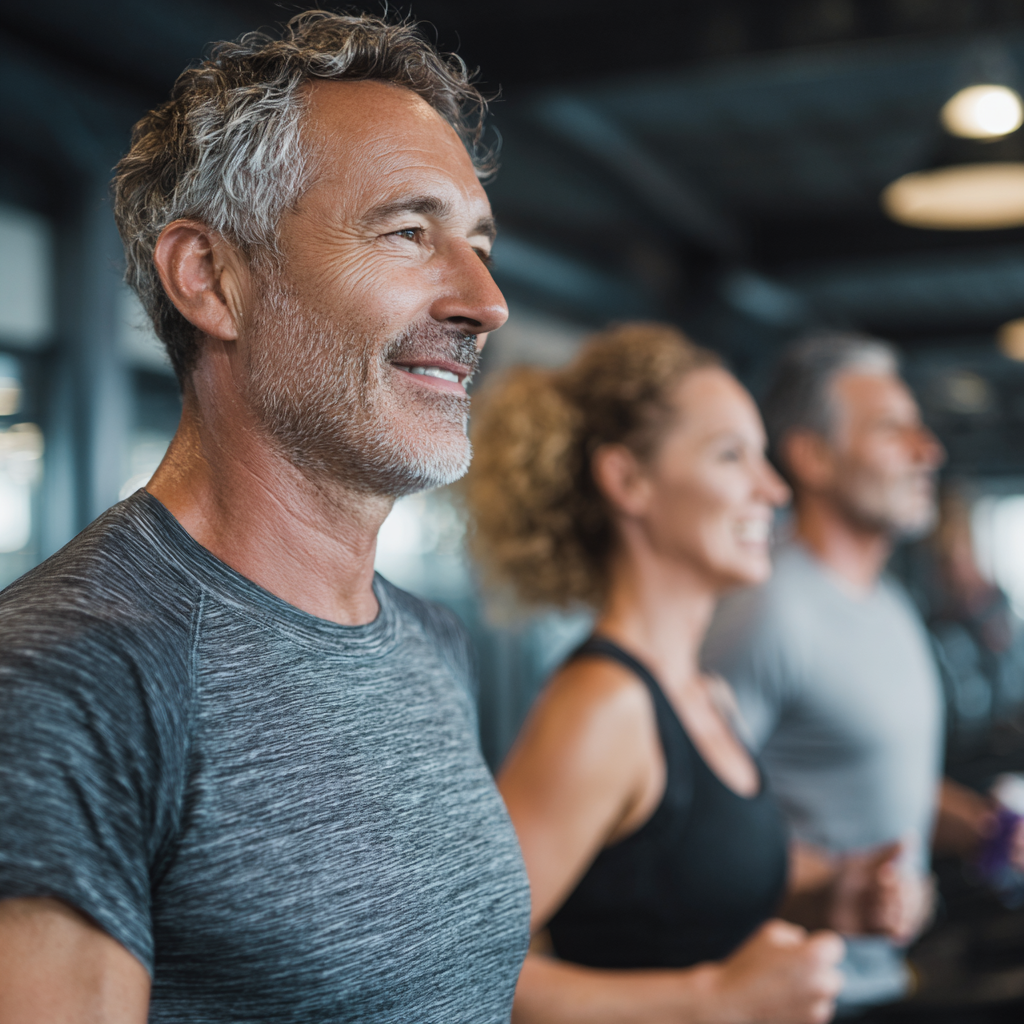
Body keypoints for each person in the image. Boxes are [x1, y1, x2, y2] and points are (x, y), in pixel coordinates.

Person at [0, 13, 530, 1023]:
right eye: (409, 232)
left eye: (477, 243)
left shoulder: (428, 640)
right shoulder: (64, 676)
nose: (485, 301)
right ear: (211, 278)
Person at [465, 322, 874, 1024]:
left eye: (764, 457)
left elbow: (674, 896)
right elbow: (464, 967)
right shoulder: (604, 705)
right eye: (730, 456)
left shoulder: (705, 694)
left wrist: (833, 894)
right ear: (629, 480)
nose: (773, 489)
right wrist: (714, 1004)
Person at [702, 332, 1001, 1015]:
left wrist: (985, 829)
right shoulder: (769, 607)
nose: (930, 451)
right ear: (812, 456)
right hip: (798, 997)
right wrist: (833, 886)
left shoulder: (889, 602)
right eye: (894, 430)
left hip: (886, 977)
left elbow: (880, 774)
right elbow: (691, 820)